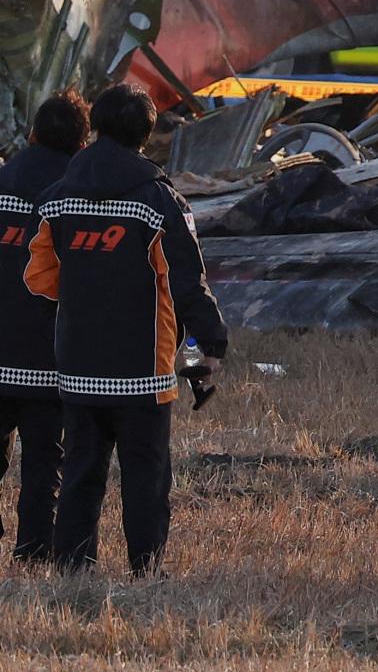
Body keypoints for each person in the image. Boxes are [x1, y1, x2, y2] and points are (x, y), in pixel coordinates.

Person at [23, 82, 227, 573]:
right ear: (147, 134)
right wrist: (209, 347)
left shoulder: (55, 200)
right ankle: (145, 569)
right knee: (146, 476)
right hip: (143, 371)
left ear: (95, 128)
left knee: (79, 473)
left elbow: (39, 278)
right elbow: (187, 283)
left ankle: (73, 568)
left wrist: (86, 298)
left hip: (77, 366)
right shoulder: (160, 201)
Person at [0, 88, 89, 564]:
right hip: (53, 361)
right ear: (82, 144)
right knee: (47, 465)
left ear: (31, 135)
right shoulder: (79, 205)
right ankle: (33, 553)